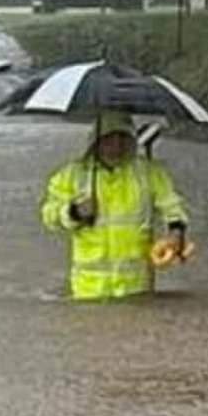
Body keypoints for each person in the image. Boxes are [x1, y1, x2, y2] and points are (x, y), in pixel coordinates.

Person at [40, 110, 189, 301]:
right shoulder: (72, 175)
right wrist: (74, 212)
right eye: (110, 138)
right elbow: (49, 216)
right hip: (87, 290)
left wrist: (176, 233)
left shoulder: (148, 173)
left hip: (137, 288)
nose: (117, 145)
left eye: (123, 138)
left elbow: (172, 206)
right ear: (96, 141)